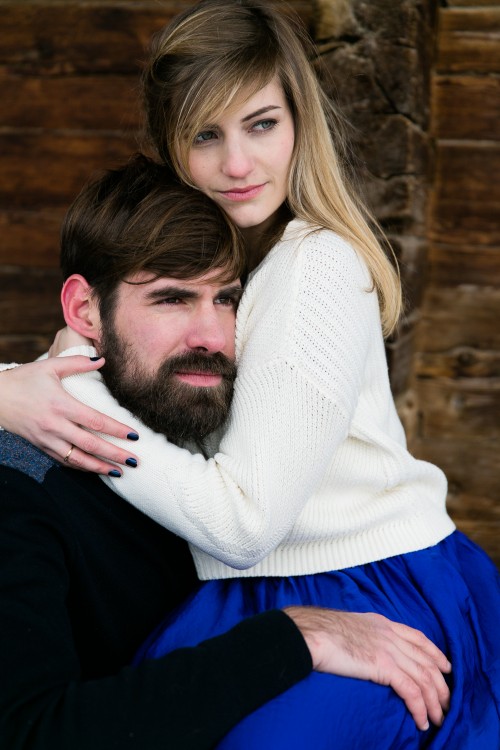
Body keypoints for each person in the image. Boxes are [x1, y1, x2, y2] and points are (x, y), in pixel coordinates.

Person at [0, 1, 498, 747]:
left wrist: (58, 388)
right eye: (207, 134)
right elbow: (91, 340)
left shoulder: (316, 264)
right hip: (245, 588)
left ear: (300, 123)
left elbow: (245, 522)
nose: (237, 165)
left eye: (261, 123)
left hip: (367, 578)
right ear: (173, 148)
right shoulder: (225, 253)